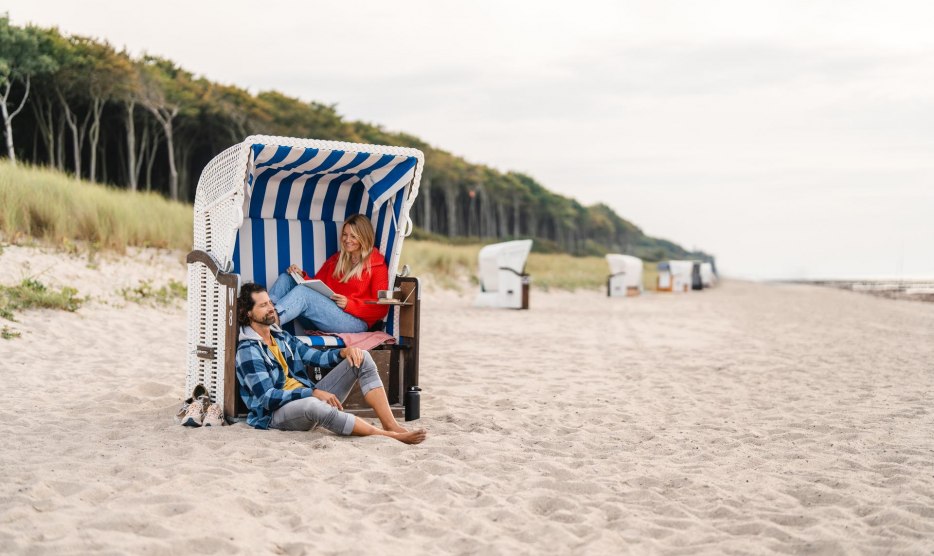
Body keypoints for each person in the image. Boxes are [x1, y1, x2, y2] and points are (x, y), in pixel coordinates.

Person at [235, 282, 427, 444]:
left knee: (361, 357)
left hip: (307, 400)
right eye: (262, 305)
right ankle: (386, 436)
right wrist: (312, 392)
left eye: (270, 302)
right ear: (248, 313)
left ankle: (390, 425)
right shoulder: (248, 350)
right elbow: (268, 398)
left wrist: (343, 352)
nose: (270, 308)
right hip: (276, 414)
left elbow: (315, 356)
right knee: (313, 404)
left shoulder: (281, 337)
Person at [268, 214, 388, 333]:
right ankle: (263, 312)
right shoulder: (337, 259)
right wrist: (302, 276)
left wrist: (349, 304)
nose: (347, 240)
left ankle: (268, 322)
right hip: (325, 317)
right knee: (286, 279)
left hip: (355, 322)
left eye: (353, 236)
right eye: (345, 235)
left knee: (303, 293)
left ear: (364, 237)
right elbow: (317, 287)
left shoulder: (378, 266)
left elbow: (381, 309)